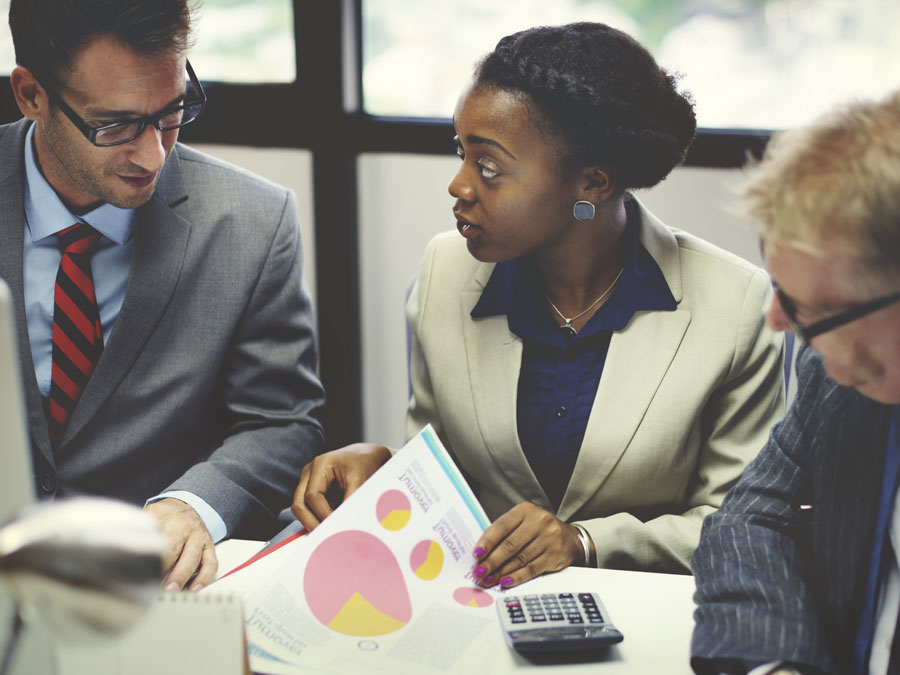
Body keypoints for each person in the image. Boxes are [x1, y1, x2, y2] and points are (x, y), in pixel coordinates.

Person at [293, 22, 784, 585]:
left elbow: (743, 525)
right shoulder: (445, 271)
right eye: (462, 153)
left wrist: (587, 543)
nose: (459, 186)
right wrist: (382, 470)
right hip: (479, 617)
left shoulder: (736, 304)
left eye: (491, 167)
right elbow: (441, 475)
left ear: (592, 185)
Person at [1, 0, 325, 592]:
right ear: (30, 94)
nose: (153, 154)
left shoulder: (253, 222)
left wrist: (191, 507)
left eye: (172, 112)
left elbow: (281, 421)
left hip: (151, 587)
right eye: (115, 125)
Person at [690, 90, 900, 675]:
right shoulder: (835, 380)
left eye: (806, 307)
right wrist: (776, 666)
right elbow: (751, 521)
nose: (777, 322)